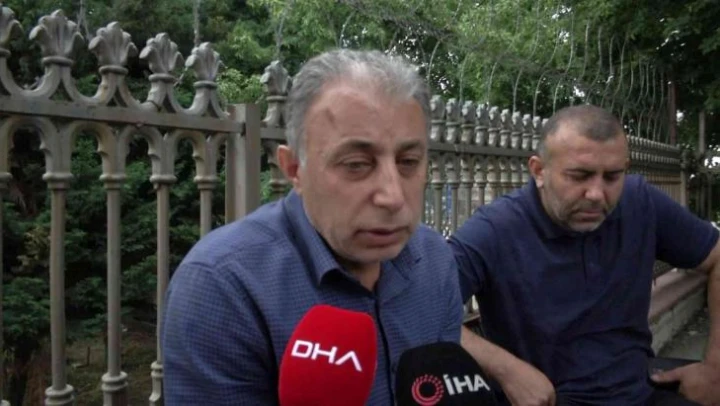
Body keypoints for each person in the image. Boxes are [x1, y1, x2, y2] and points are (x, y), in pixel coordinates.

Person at [160, 49, 464, 405]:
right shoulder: (222, 288)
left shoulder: (435, 261)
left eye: (408, 161)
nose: (393, 196)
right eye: (356, 164)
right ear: (294, 169)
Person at [449, 104, 720, 406]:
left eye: (612, 177)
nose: (596, 194)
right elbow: (422, 309)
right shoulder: (495, 229)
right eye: (580, 176)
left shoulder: (640, 203)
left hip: (639, 394)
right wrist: (507, 370)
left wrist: (715, 368)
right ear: (539, 171)